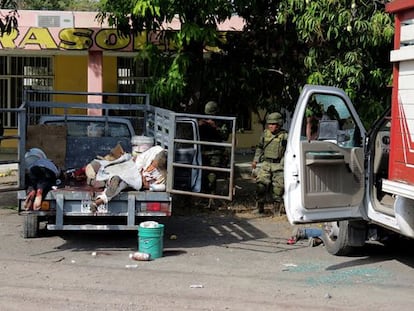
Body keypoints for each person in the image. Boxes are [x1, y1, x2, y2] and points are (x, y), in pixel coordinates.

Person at [91, 145, 167, 210]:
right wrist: (141, 172)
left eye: (156, 167)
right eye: (153, 163)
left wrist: (148, 186)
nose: (153, 166)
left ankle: (100, 200)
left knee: (123, 184)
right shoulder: (156, 150)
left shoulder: (163, 175)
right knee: (118, 173)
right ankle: (106, 187)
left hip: (139, 183)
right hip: (135, 169)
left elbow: (159, 186)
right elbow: (139, 160)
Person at [252, 112, 288, 216]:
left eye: (273, 124)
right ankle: (260, 209)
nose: (270, 126)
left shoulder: (285, 136)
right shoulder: (265, 134)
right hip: (266, 164)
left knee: (278, 189)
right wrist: (255, 160)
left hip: (279, 165)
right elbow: (259, 147)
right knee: (260, 186)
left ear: (279, 124)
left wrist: (285, 163)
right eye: (269, 124)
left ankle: (276, 211)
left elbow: (289, 150)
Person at [198, 101, 229, 201]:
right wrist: (199, 125)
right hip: (203, 151)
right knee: (202, 175)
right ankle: (203, 199)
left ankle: (211, 199)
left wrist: (215, 127)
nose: (210, 116)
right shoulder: (202, 120)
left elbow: (225, 136)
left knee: (212, 176)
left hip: (215, 153)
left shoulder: (221, 121)